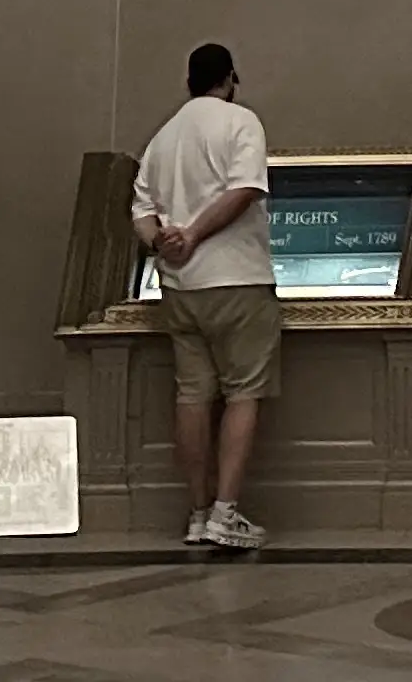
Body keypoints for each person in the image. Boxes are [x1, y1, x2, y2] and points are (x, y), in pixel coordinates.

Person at [133, 45, 279, 552]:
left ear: (188, 81)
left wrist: (163, 242)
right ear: (231, 76)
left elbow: (142, 211)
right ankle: (225, 513)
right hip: (236, 279)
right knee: (243, 391)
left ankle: (197, 513)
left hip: (179, 288)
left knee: (191, 395)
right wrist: (194, 234)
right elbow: (243, 191)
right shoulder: (241, 122)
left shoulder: (162, 136)